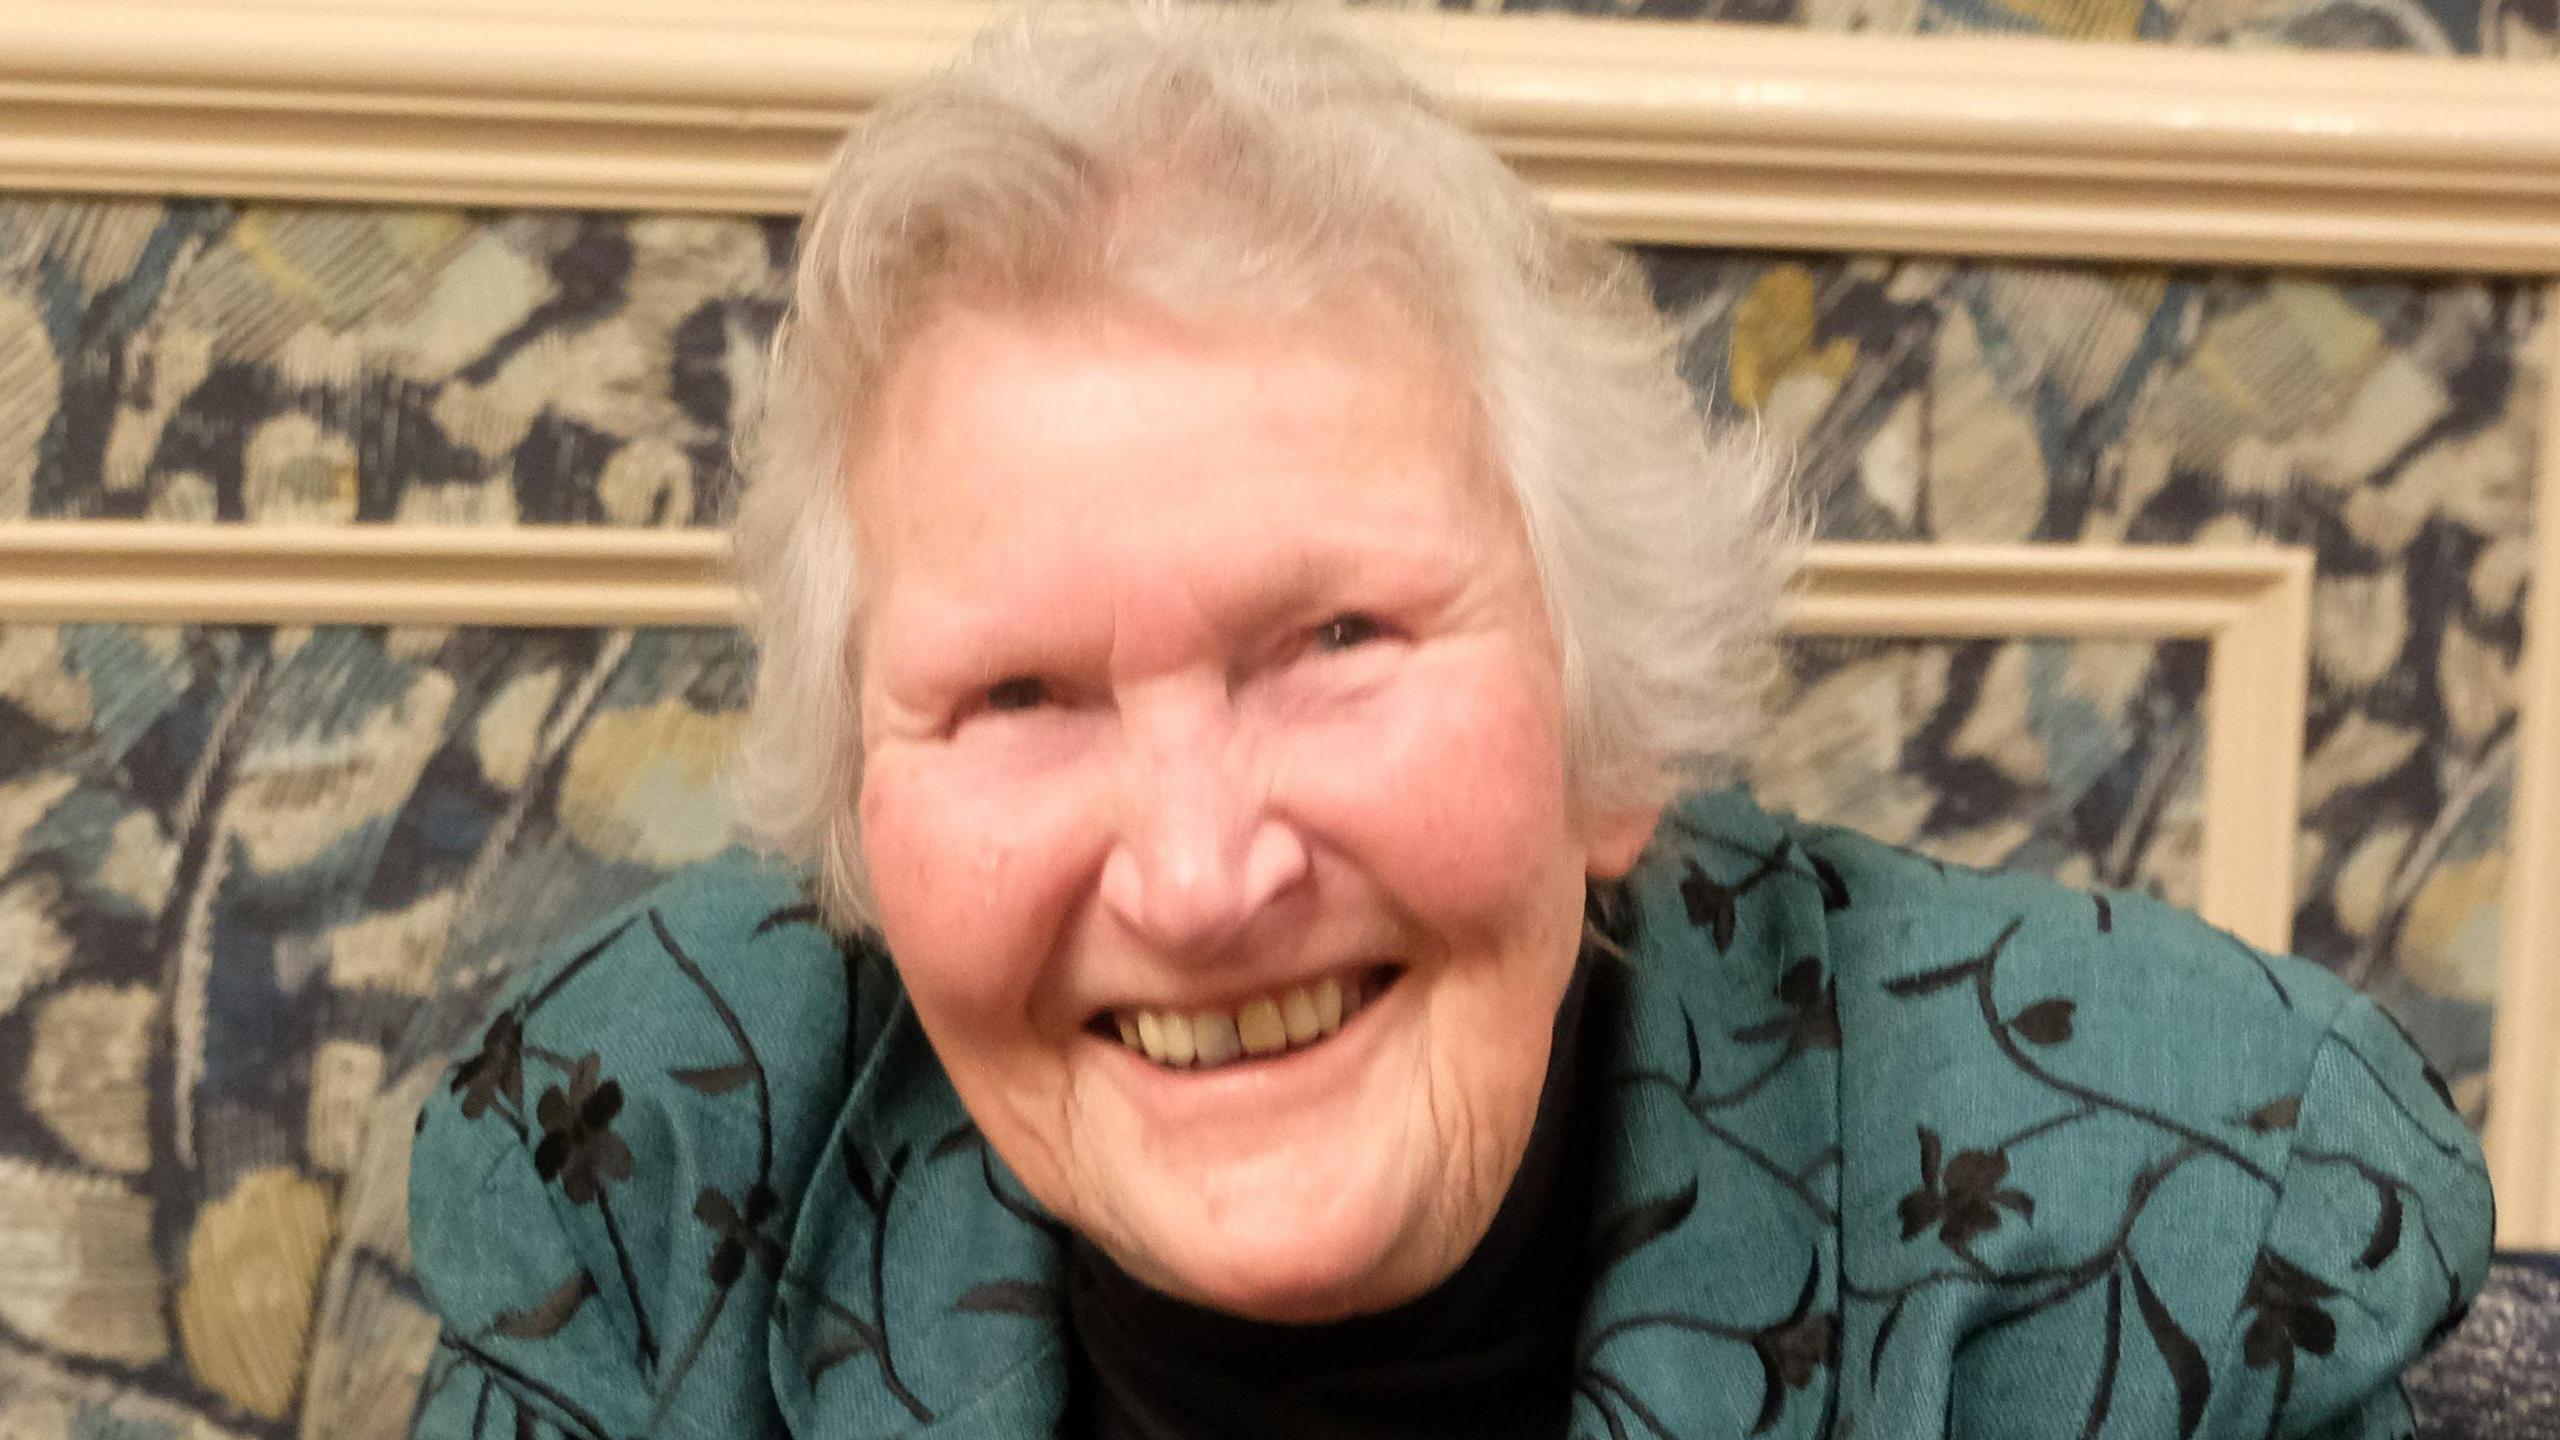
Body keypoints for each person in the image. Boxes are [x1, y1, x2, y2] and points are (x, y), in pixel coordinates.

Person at [405, 6, 2493, 1437]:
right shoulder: (642, 1155)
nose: (1203, 874)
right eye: (1014, 695)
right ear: (862, 803)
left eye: (1333, 636)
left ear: (1608, 730)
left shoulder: (2171, 1208)